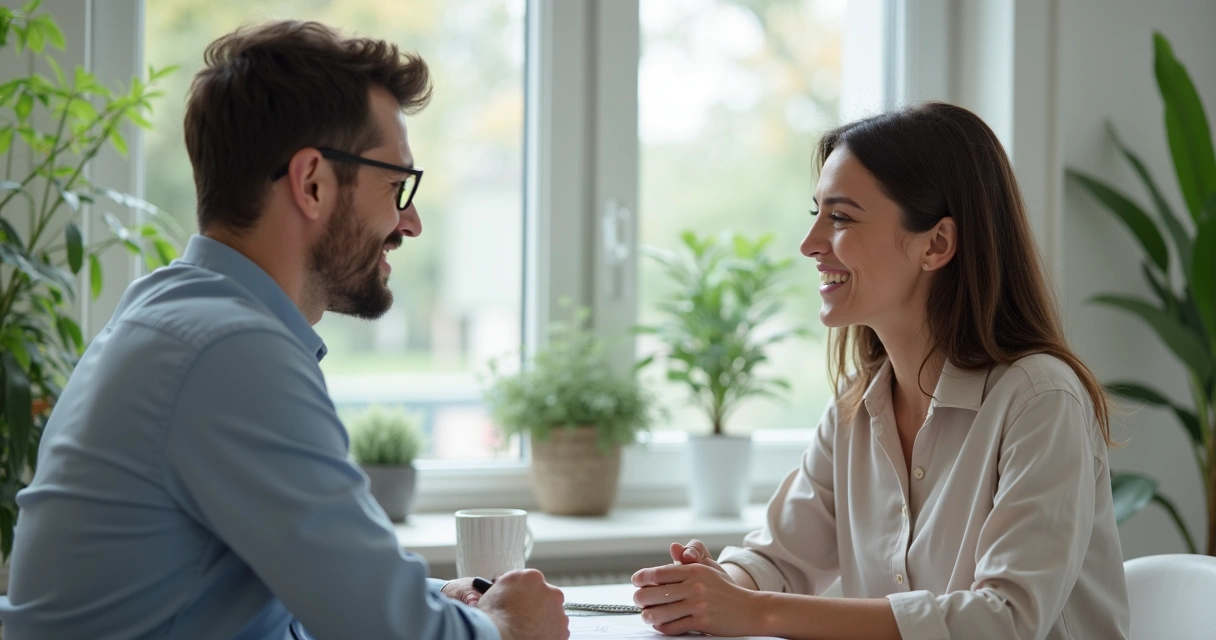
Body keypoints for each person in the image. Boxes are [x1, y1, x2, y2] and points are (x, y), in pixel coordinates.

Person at [0, 20, 568, 640]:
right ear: (313, 182)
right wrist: (510, 629)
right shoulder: (229, 352)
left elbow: (286, 597)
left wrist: (444, 602)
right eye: (396, 184)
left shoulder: (177, 315)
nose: (411, 222)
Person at [630, 102, 1131, 639]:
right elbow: (780, 559)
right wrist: (716, 583)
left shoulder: (1041, 399)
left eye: (841, 217)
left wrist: (757, 612)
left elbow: (1003, 620)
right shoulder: (858, 402)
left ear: (935, 244)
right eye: (816, 213)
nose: (810, 244)